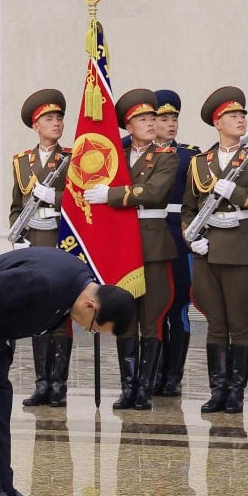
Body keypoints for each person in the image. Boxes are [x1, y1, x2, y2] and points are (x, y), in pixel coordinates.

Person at [0, 247, 135, 496]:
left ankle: (4, 486)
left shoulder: (77, 281)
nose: (88, 329)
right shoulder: (44, 283)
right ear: (91, 305)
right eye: (94, 327)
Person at [182, 87, 248, 414]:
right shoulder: (200, 163)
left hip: (240, 247)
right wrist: (190, 237)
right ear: (218, 122)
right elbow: (188, 207)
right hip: (207, 250)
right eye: (233, 116)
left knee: (239, 324)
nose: (241, 120)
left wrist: (239, 193)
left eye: (242, 115)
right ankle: (218, 391)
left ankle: (236, 393)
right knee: (215, 323)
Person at [84, 88, 177, 410]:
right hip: (120, 245)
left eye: (153, 118)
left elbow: (153, 192)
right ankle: (128, 386)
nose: (151, 123)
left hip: (151, 244)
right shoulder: (115, 157)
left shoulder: (166, 155)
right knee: (126, 318)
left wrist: (110, 195)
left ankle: (144, 389)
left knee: (151, 320)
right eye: (142, 118)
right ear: (128, 124)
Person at [9, 89, 74, 408]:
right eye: (49, 119)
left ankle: (59, 384)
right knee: (37, 309)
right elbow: (16, 203)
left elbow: (79, 201)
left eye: (59, 118)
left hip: (61, 239)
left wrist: (56, 199)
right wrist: (17, 233)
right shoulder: (22, 162)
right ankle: (41, 383)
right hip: (33, 238)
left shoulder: (73, 158)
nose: (57, 123)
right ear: (36, 125)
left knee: (60, 310)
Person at [148, 90, 201, 397]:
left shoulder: (190, 156)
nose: (170, 124)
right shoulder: (131, 151)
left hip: (179, 238)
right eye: (163, 118)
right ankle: (152, 372)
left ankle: (173, 376)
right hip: (147, 236)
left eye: (173, 119)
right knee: (151, 310)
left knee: (177, 307)